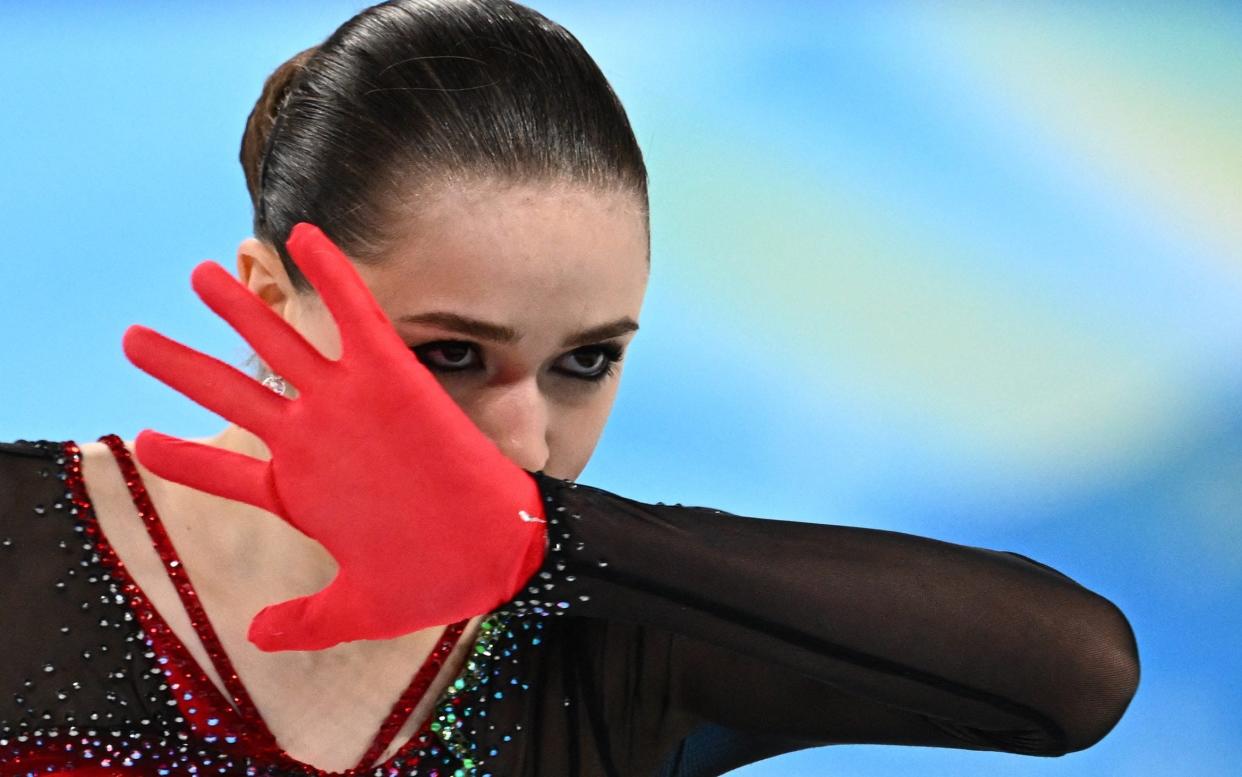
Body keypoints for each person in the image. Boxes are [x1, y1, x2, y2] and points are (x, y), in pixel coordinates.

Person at [0, 1, 1141, 775]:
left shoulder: (608, 632)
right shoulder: (21, 539)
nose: (526, 441)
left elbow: (1073, 680)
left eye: (584, 361)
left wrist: (544, 548)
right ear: (269, 293)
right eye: (451, 354)